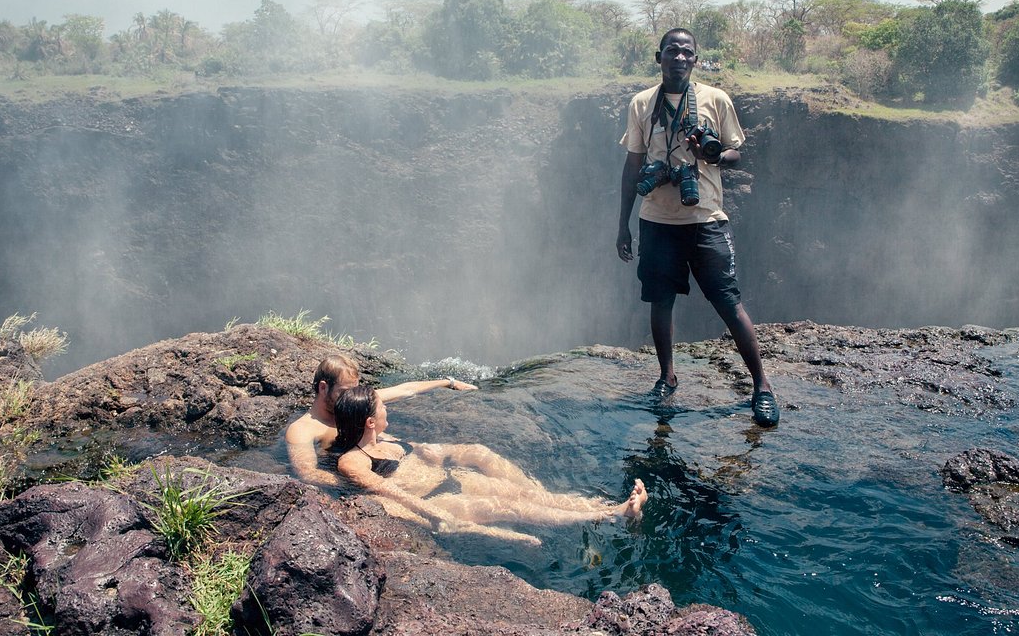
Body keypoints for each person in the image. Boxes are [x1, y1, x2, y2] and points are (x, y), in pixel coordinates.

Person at [616, 28, 779, 427]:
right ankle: (666, 377)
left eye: (687, 52)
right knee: (660, 300)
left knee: (727, 300)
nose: (679, 58)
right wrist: (623, 223)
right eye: (672, 51)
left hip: (706, 218)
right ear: (659, 57)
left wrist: (713, 155)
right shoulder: (641, 104)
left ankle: (762, 387)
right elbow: (633, 164)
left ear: (695, 60)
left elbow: (737, 153)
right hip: (656, 220)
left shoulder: (715, 99)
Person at [332, 385, 648, 544]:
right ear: (370, 421)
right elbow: (388, 493)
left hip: (453, 480)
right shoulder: (352, 460)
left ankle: (614, 507)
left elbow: (427, 456)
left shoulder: (388, 438)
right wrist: (434, 515)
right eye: (383, 406)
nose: (389, 407)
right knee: (510, 509)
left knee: (528, 495)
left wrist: (438, 452)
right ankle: (610, 515)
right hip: (437, 500)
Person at [285, 354, 479, 485]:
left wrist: (449, 382)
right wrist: (366, 480)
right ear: (323, 387)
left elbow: (404, 390)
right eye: (345, 391)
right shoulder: (302, 429)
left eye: (355, 389)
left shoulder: (354, 401)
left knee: (478, 456)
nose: (351, 395)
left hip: (401, 457)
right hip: (379, 475)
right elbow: (308, 474)